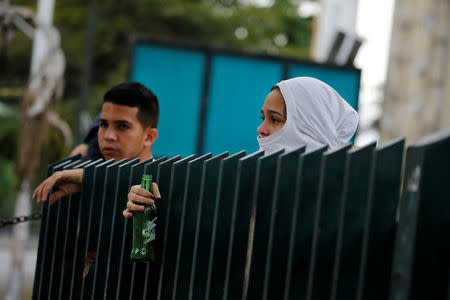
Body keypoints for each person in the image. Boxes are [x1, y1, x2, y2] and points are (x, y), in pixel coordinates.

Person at [122, 76, 358, 217]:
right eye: (262, 118)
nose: (261, 129)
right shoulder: (248, 183)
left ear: (312, 127)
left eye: (275, 119)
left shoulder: (349, 202)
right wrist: (151, 201)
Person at [33, 81, 161, 205]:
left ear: (149, 137)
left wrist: (90, 177)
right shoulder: (81, 186)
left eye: (122, 126)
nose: (108, 136)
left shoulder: (167, 187)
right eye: (103, 124)